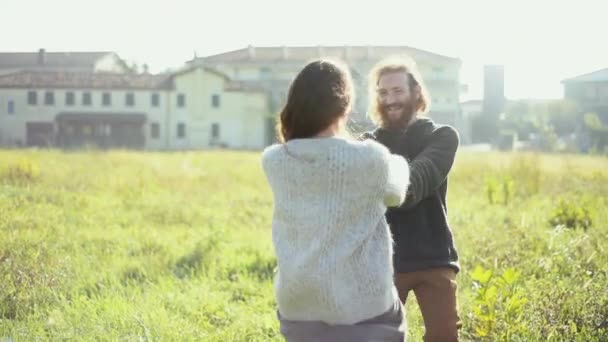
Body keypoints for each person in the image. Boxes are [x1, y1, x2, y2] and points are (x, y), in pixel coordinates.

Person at [261, 59, 411, 341]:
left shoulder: (273, 160)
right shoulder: (371, 157)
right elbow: (395, 192)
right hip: (364, 308)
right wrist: (397, 161)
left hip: (297, 304)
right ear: (345, 105)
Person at [361, 56, 461, 342]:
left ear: (416, 92)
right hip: (383, 262)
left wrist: (372, 176)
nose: (390, 99)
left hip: (434, 256)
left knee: (444, 336)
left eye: (397, 91)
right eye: (383, 92)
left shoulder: (441, 137)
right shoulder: (368, 144)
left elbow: (414, 184)